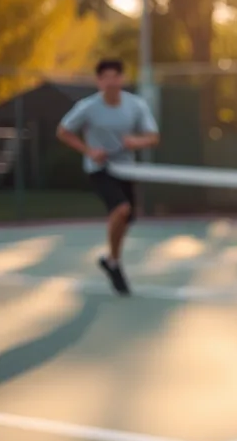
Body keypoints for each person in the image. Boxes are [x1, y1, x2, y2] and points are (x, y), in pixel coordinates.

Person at [57, 59, 160, 295]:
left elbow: (153, 137)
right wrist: (90, 151)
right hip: (100, 169)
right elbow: (63, 131)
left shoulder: (136, 105)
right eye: (106, 77)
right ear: (99, 81)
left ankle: (112, 261)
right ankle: (114, 262)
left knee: (127, 219)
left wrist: (137, 141)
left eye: (116, 76)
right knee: (121, 209)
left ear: (122, 79)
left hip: (127, 169)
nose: (111, 82)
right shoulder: (87, 107)